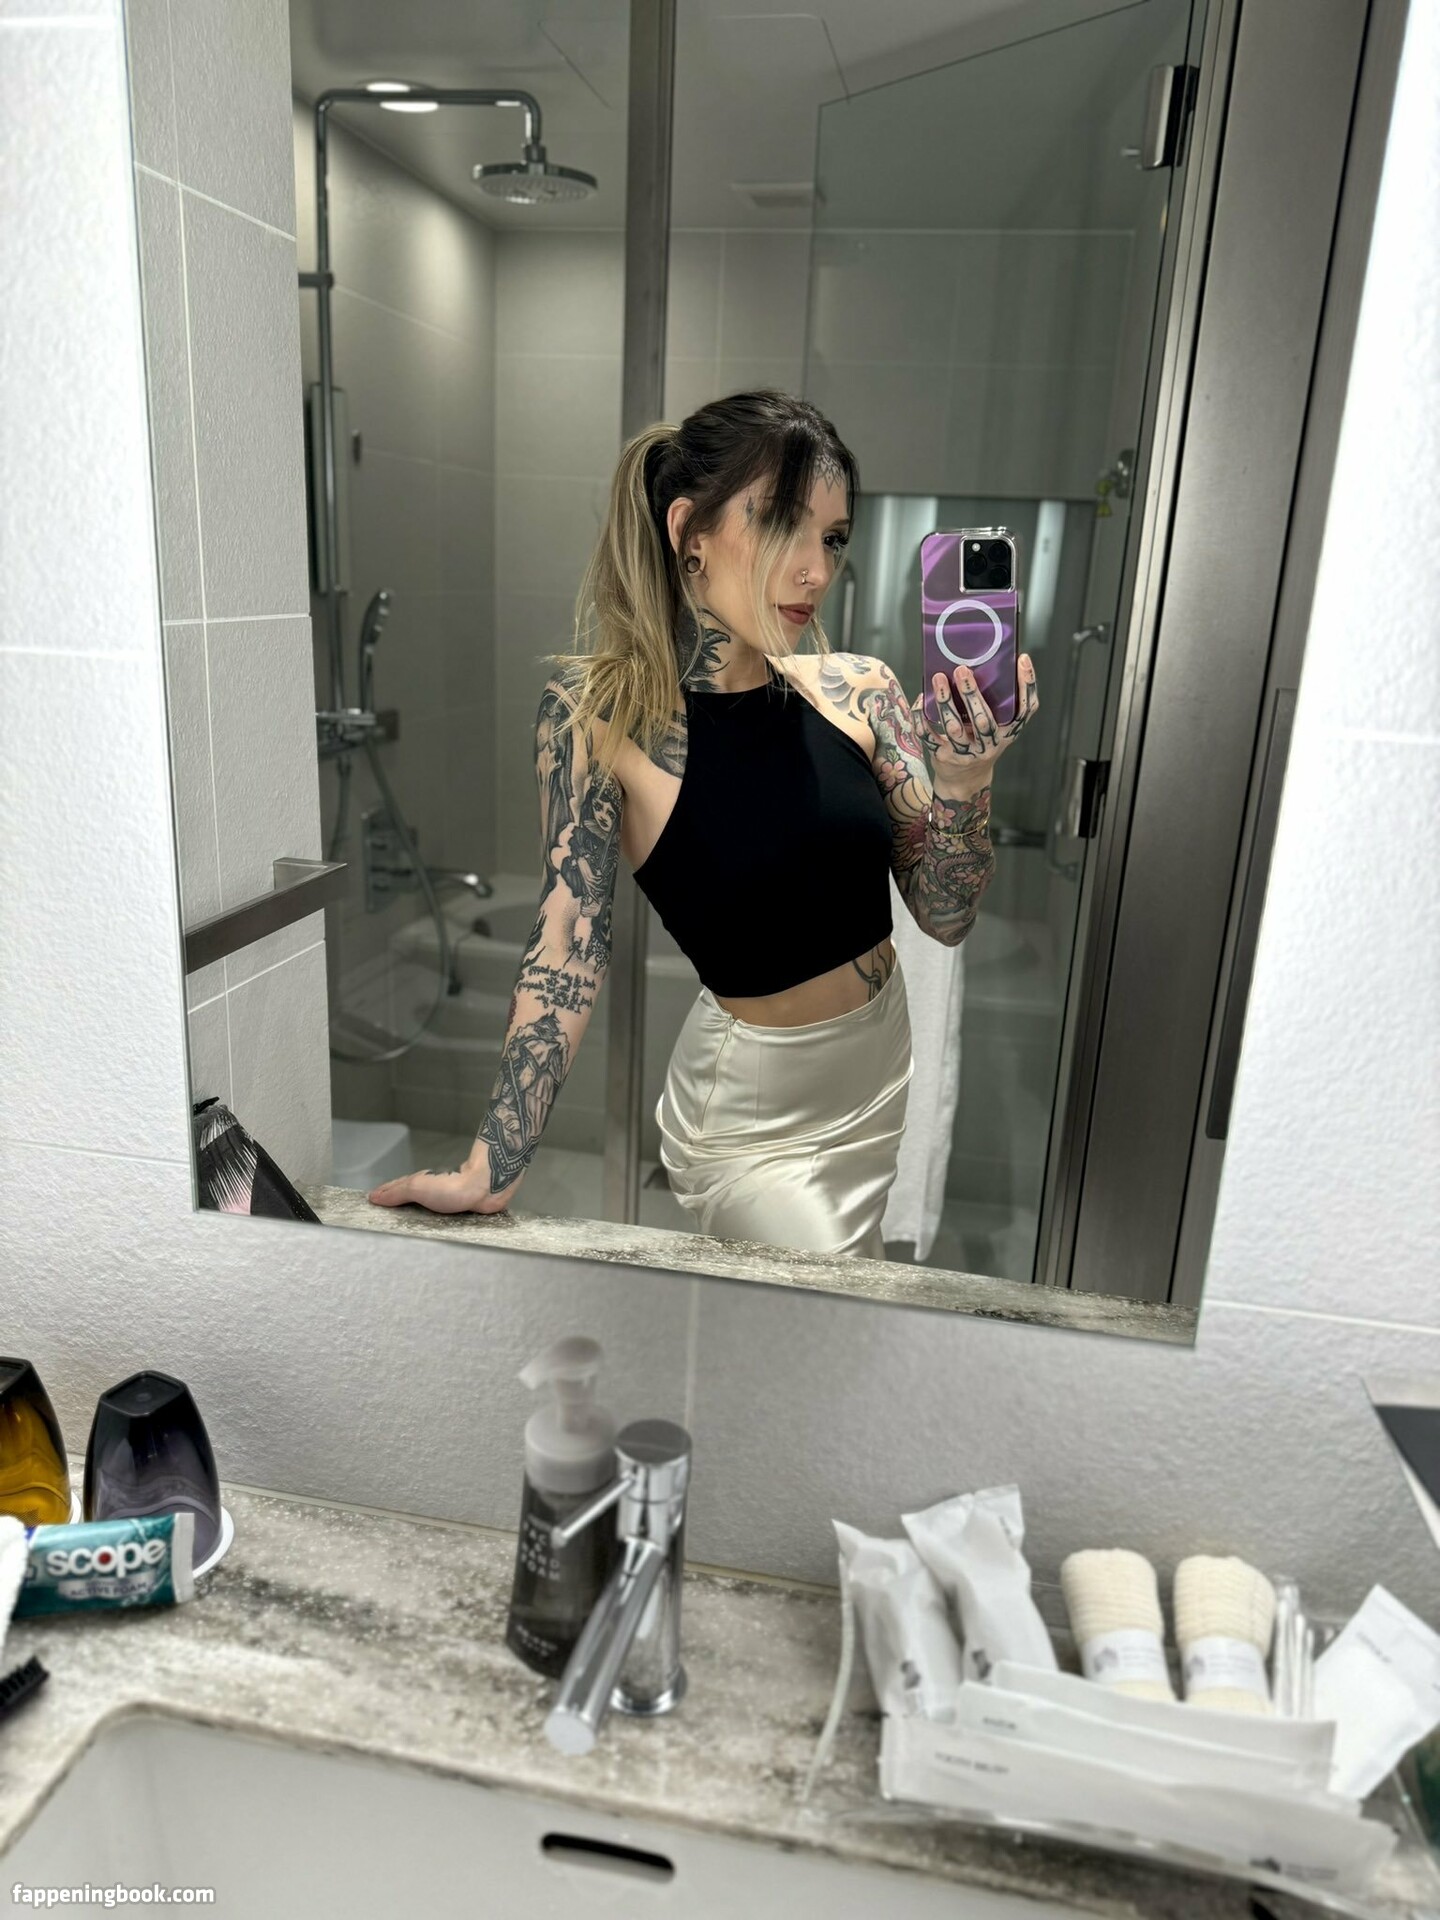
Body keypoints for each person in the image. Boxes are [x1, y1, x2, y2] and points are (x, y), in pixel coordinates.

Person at [369, 389, 1038, 1257]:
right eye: (783, 525)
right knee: (833, 1313)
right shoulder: (597, 718)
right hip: (756, 1115)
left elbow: (944, 915)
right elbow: (566, 949)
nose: (816, 570)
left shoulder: (862, 690)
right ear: (690, 531)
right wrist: (489, 1167)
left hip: (877, 1078)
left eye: (833, 538)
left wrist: (965, 777)